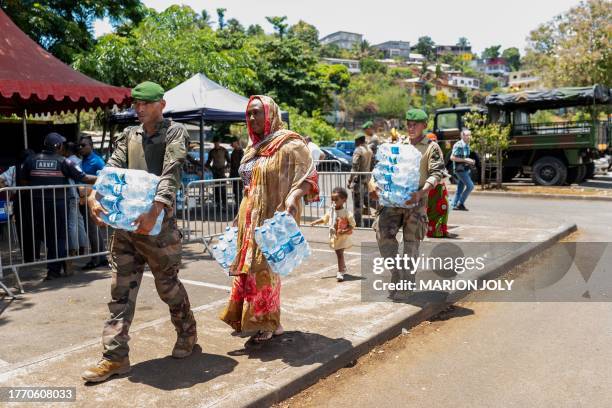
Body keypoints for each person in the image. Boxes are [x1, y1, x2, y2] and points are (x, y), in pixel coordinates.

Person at [81, 81, 198, 383]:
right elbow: (111, 171)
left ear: (162, 104)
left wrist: (155, 210)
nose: (140, 108)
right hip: (127, 229)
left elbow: (171, 173)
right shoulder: (128, 135)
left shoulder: (175, 132)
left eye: (146, 103)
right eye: (136, 103)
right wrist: (95, 195)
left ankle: (187, 332)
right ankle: (115, 358)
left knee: (168, 288)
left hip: (158, 228)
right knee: (120, 294)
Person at [220, 95, 319, 345]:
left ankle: (269, 321)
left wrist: (294, 197)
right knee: (249, 270)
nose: (252, 118)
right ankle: (252, 318)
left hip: (271, 216)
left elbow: (309, 175)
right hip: (248, 216)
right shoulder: (253, 148)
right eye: (249, 114)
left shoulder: (289, 143)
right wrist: (236, 219)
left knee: (266, 270)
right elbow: (247, 187)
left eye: (257, 112)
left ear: (270, 114)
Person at [369, 109, 445, 299]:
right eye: (408, 124)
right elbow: (382, 167)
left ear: (424, 126)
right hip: (392, 201)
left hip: (416, 202)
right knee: (383, 236)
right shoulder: (398, 144)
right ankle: (396, 274)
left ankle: (406, 282)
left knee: (411, 245)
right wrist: (373, 185)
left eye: (415, 124)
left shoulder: (431, 147)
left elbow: (436, 174)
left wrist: (421, 193)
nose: (411, 127)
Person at [19, 133, 96, 280]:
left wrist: (37, 186)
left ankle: (56, 265)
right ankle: (55, 269)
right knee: (59, 236)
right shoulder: (64, 162)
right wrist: (103, 177)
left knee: (45, 234)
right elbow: (84, 178)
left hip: (37, 204)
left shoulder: (31, 160)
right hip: (59, 204)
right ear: (58, 146)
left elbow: (23, 180)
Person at [310, 187, 356, 282]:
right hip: (335, 237)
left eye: (336, 199)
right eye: (332, 199)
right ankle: (343, 267)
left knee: (339, 253)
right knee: (338, 253)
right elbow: (324, 219)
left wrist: (344, 231)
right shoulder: (331, 210)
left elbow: (352, 224)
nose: (334, 201)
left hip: (342, 237)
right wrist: (315, 222)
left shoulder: (346, 213)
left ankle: (340, 272)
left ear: (344, 200)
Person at [79, 136, 108, 270]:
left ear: (90, 146)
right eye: (80, 145)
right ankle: (101, 257)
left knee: (92, 229)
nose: (81, 148)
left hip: (93, 199)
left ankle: (96, 259)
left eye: (83, 145)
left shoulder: (97, 161)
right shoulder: (83, 160)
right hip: (84, 199)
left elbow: (105, 178)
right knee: (93, 229)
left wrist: (93, 195)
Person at [63, 142, 89, 272]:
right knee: (79, 221)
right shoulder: (79, 160)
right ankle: (83, 246)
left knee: (72, 223)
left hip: (73, 193)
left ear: (67, 151)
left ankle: (73, 248)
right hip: (79, 193)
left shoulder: (68, 162)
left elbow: (79, 178)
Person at [425, 134, 451, 238]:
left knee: (444, 207)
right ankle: (434, 231)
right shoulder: (426, 152)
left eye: (434, 140)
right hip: (431, 186)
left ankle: (443, 230)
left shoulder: (437, 149)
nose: (433, 142)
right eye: (430, 140)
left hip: (441, 185)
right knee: (432, 210)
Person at [347, 134, 372, 227]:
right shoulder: (369, 150)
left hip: (358, 181)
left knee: (357, 205)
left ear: (358, 141)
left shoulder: (358, 150)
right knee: (367, 201)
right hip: (366, 180)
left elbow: (354, 167)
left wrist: (350, 180)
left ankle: (357, 224)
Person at [450, 129, 475, 211]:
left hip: (465, 169)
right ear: (463, 136)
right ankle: (460, 203)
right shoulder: (458, 145)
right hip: (459, 170)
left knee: (460, 188)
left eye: (470, 135)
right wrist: (465, 160)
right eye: (467, 135)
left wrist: (470, 161)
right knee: (470, 186)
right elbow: (452, 157)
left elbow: (464, 157)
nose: (469, 137)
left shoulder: (467, 145)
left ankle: (453, 204)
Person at [205, 136, 230, 209]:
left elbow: (229, 161)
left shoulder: (224, 150)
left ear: (219, 142)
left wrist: (226, 168)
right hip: (215, 171)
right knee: (216, 189)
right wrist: (209, 168)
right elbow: (208, 162)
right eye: (215, 143)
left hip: (222, 171)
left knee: (223, 188)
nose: (216, 144)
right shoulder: (212, 151)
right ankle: (218, 204)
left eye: (217, 142)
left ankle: (225, 204)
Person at [229, 137, 244, 207]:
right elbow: (232, 165)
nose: (232, 144)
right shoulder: (233, 152)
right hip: (234, 174)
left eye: (233, 142)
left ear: (236, 142)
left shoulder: (240, 151)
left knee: (239, 192)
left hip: (239, 175)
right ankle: (237, 205)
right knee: (235, 191)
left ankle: (240, 206)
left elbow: (242, 163)